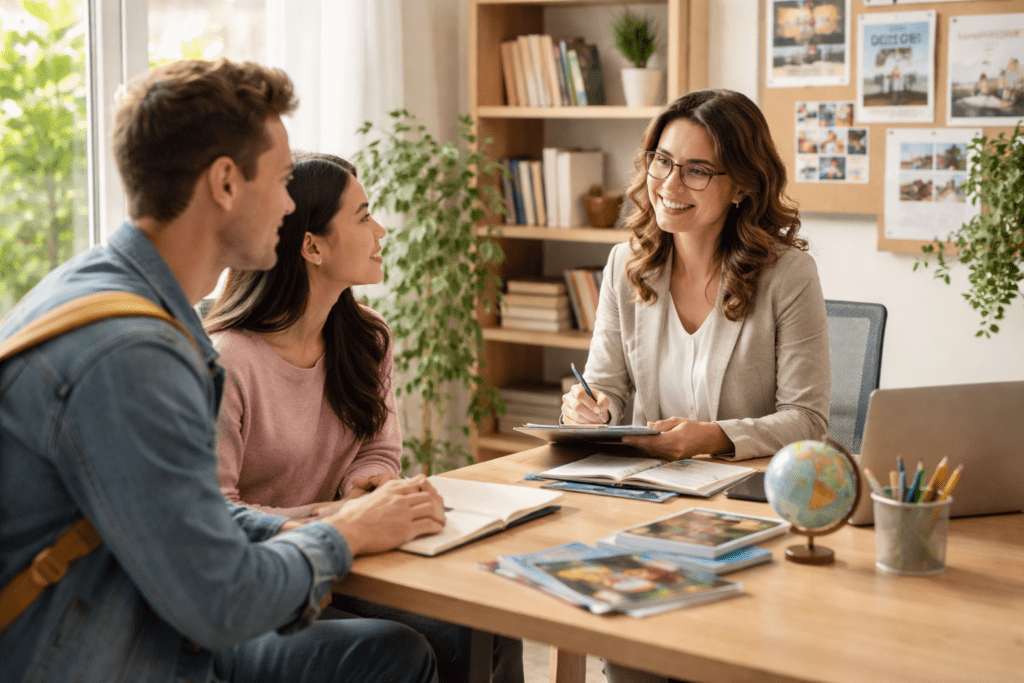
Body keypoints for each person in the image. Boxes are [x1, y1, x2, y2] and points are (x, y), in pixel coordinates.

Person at [0, 59, 446, 683]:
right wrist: (343, 537)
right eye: (283, 180)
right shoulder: (133, 355)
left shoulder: (102, 296)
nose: (289, 204)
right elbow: (222, 600)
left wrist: (329, 519)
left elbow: (193, 514)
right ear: (226, 183)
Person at [203, 152, 524, 683]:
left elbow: (377, 447)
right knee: (402, 648)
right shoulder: (226, 362)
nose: (381, 231)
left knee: (488, 620)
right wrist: (343, 517)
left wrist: (366, 484)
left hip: (349, 566)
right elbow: (215, 514)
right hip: (259, 585)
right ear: (312, 247)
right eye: (363, 216)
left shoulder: (367, 337)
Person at [561, 89, 829, 682]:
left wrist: (708, 437)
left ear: (741, 186)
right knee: (633, 660)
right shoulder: (626, 263)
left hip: (745, 513)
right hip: (643, 504)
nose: (669, 183)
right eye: (663, 160)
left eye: (697, 170)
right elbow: (607, 388)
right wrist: (592, 408)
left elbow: (807, 420)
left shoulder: (788, 275)